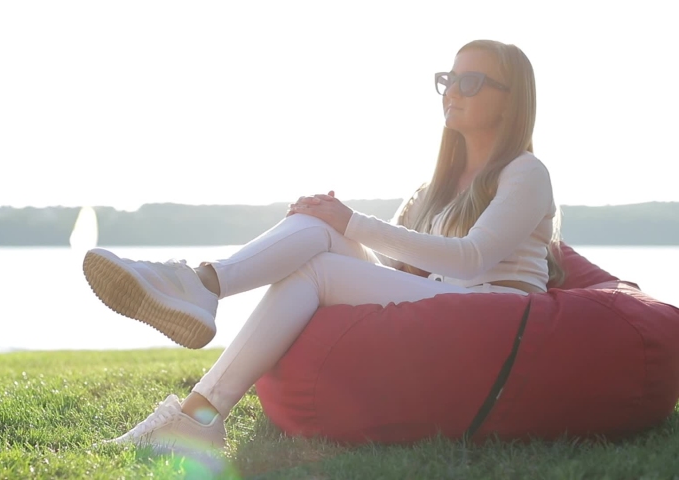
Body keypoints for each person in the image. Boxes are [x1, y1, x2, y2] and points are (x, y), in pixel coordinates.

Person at [81, 39, 564, 452]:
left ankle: (195, 405)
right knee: (319, 232)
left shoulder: (525, 172)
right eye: (448, 78)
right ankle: (200, 286)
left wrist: (352, 222)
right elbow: (393, 261)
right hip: (450, 302)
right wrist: (333, 221)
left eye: (471, 82)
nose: (453, 91)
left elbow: (472, 259)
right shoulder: (434, 188)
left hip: (499, 311)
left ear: (509, 100)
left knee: (320, 266)